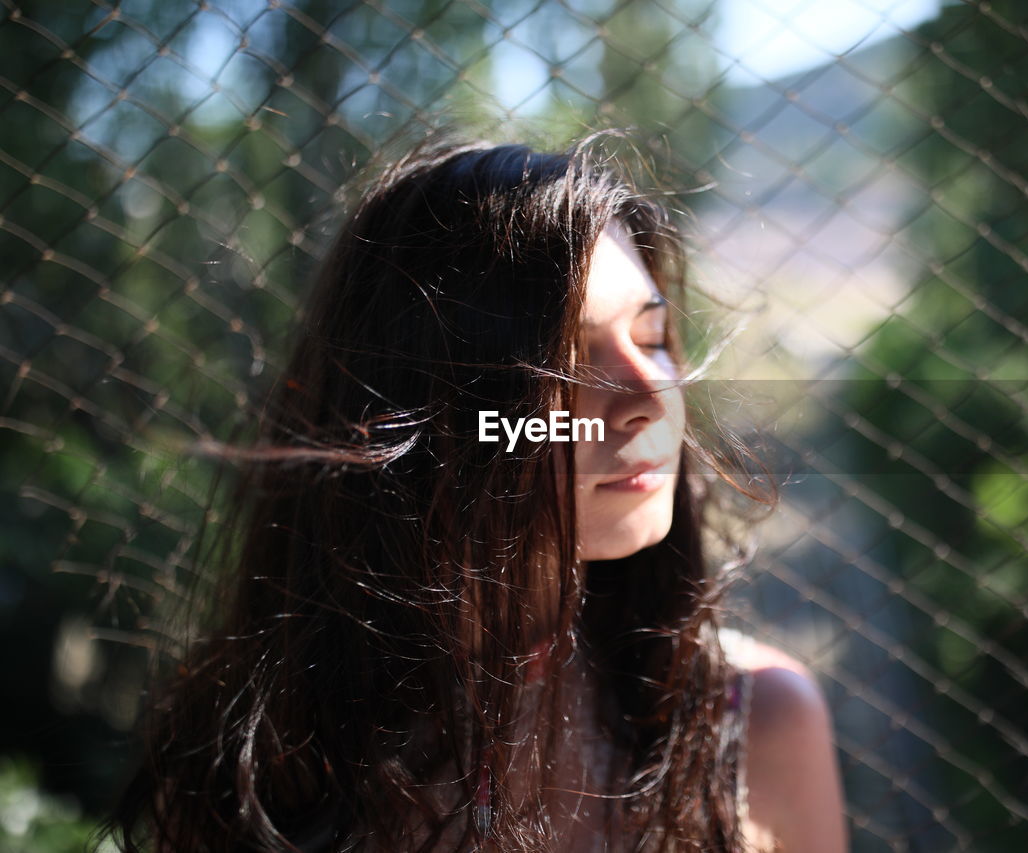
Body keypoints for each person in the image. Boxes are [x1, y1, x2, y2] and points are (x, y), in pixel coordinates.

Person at [99, 133, 847, 852]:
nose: (651, 393)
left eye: (652, 337)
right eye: (569, 360)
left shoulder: (754, 721)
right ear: (437, 413)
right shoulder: (256, 760)